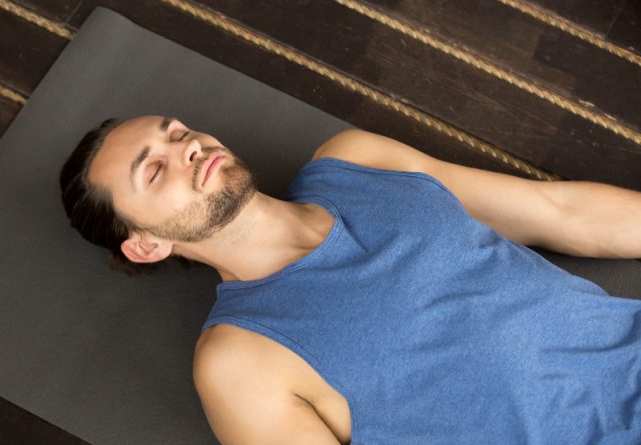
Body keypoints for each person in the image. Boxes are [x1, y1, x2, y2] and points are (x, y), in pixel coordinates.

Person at [59, 114, 641, 444]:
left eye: (175, 132)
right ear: (146, 245)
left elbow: (563, 214)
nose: (184, 148)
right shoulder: (239, 360)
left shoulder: (355, 160)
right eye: (154, 169)